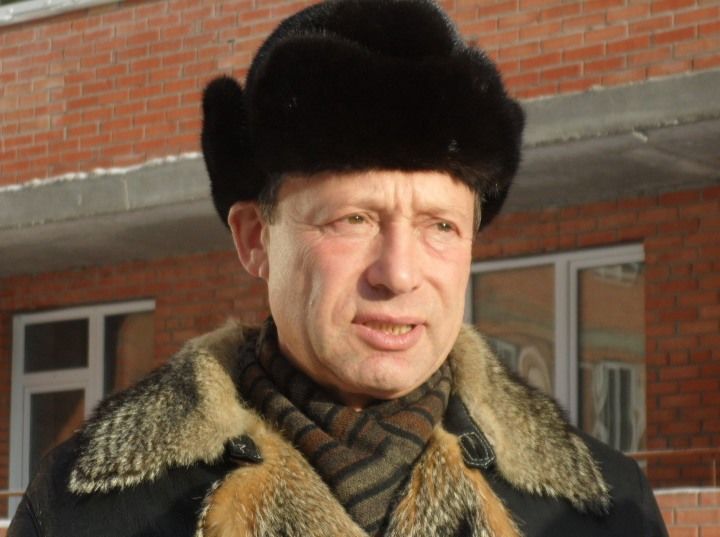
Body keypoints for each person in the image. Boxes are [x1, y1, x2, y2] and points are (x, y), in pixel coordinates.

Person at [10, 0, 669, 535]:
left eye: (441, 225)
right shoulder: (89, 513)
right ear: (255, 239)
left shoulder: (605, 512)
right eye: (353, 219)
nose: (399, 274)